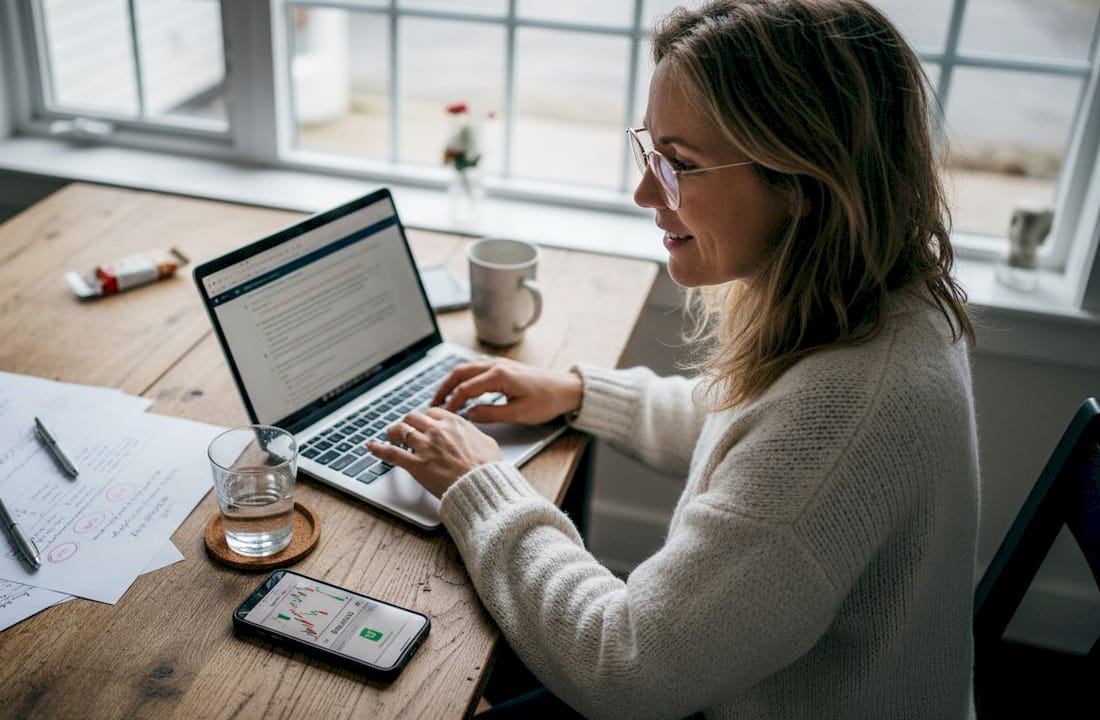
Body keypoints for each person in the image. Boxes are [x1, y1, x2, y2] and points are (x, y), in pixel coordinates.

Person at [366, 0, 980, 717]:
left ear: (804, 181)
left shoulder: (847, 410)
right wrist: (578, 391)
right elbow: (752, 434)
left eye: (680, 164)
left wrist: (479, 484)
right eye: (651, 151)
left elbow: (626, 665)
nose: (645, 192)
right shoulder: (885, 303)